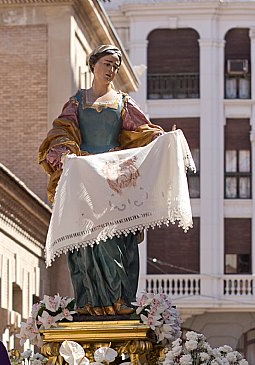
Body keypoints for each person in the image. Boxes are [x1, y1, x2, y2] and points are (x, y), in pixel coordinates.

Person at [39, 44, 166, 316]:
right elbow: (60, 133)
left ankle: (119, 299)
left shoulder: (123, 103)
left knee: (114, 240)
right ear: (93, 64)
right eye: (107, 64)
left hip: (114, 181)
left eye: (115, 67)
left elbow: (143, 132)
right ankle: (88, 300)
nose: (111, 70)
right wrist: (66, 152)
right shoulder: (76, 102)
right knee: (85, 242)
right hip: (85, 180)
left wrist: (161, 140)